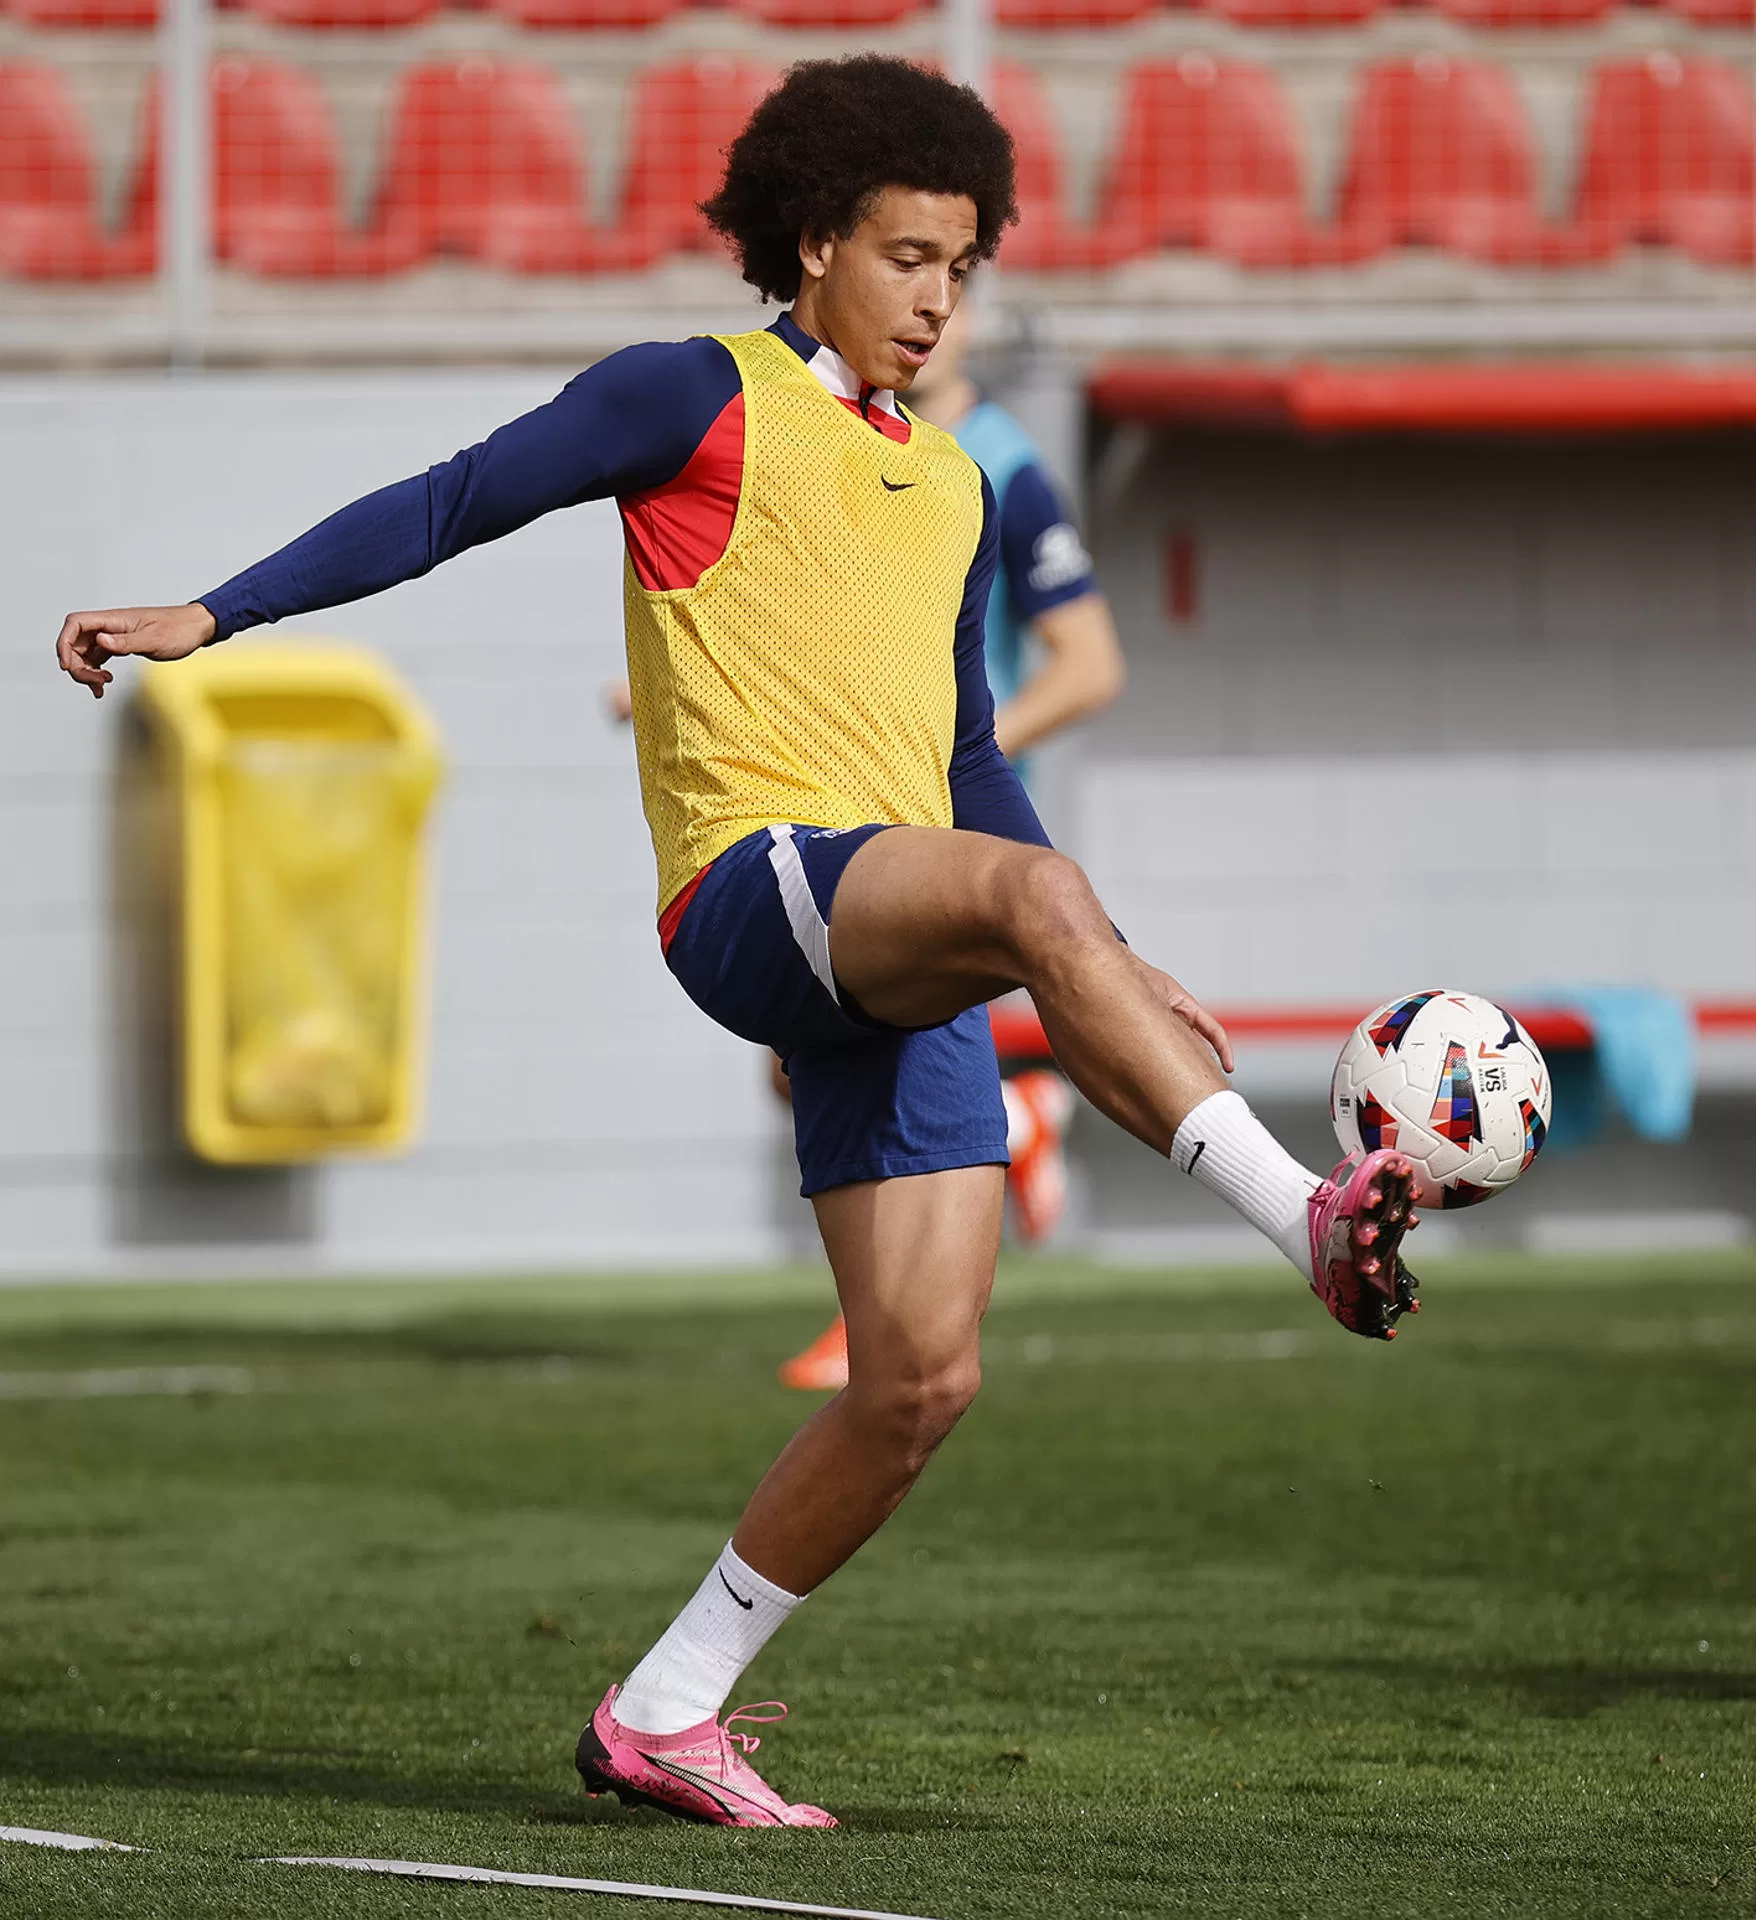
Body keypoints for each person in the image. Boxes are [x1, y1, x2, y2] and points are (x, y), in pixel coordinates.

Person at [54, 56, 1420, 1832]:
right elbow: (456, 498)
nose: (939, 296)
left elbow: (970, 760)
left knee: (918, 1381)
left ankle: (663, 1710)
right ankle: (1311, 1226)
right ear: (810, 243)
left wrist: (1101, 948)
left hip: (895, 921)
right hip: (752, 889)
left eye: (961, 264)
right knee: (1029, 911)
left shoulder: (954, 490)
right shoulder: (691, 395)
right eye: (907, 255)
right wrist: (214, 611)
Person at [779, 301, 1124, 1392]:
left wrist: (958, 749)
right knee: (794, 1066)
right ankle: (1018, 1127)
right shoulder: (835, 438)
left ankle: (879, 1338)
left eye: (953, 280)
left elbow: (1087, 665)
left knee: (858, 1069)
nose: (925, 308)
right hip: (839, 808)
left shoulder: (998, 467)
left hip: (947, 828)